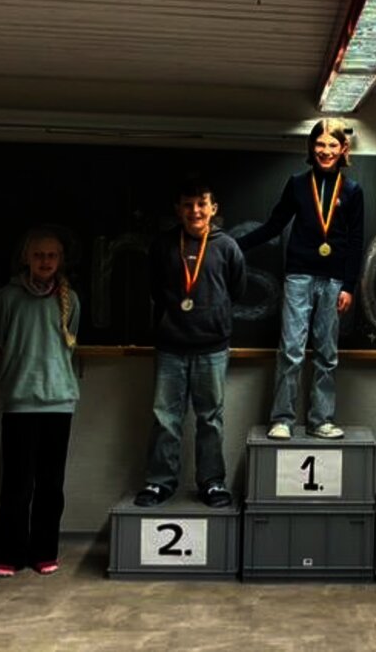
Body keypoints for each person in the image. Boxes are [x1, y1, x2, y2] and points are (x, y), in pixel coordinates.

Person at [238, 119, 364, 440]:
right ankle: (282, 418)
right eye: (320, 144)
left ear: (343, 149)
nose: (326, 151)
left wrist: (349, 285)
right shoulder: (297, 184)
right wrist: (235, 245)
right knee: (292, 349)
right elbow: (274, 225)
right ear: (311, 146)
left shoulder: (352, 191)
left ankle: (321, 419)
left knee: (327, 353)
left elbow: (356, 241)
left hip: (334, 280)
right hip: (299, 276)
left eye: (332, 145)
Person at [134, 180, 247, 508]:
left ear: (213, 208)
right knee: (165, 418)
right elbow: (155, 289)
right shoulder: (163, 245)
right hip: (171, 347)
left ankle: (212, 482)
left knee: (210, 419)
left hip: (212, 348)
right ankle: (159, 482)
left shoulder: (228, 247)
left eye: (201, 204)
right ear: (178, 209)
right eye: (188, 204)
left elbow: (237, 290)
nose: (195, 211)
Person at [0, 227, 80, 578]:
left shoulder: (71, 300)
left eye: (52, 255)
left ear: (60, 260)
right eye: (39, 255)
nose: (45, 261)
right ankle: (9, 553)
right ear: (26, 258)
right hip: (20, 399)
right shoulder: (6, 297)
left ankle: (44, 551)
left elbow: (72, 340)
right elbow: (3, 337)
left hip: (59, 400)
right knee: (17, 483)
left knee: (50, 484)